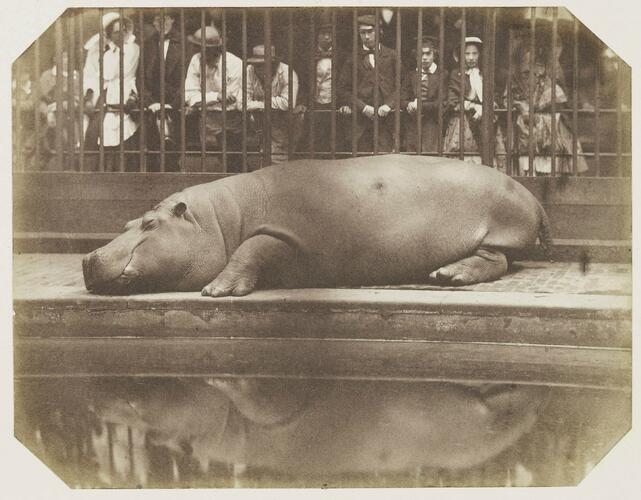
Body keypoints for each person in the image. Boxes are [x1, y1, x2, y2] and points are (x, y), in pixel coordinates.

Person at [506, 51, 588, 175]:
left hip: (549, 136)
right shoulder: (516, 83)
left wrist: (538, 117)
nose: (533, 70)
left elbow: (559, 108)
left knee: (552, 165)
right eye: (527, 65)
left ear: (543, 67)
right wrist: (520, 107)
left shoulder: (552, 86)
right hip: (524, 136)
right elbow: (508, 101)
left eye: (538, 65)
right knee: (523, 168)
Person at [83, 12, 141, 171]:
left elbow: (129, 74)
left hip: (127, 93)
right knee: (97, 134)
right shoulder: (107, 54)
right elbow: (100, 77)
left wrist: (133, 94)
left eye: (123, 30)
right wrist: (90, 96)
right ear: (110, 34)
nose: (121, 34)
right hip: (107, 96)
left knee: (127, 138)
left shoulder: (133, 49)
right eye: (116, 31)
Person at [337, 14, 399, 154]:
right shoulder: (352, 58)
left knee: (385, 162)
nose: (366, 36)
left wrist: (389, 105)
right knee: (362, 163)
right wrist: (363, 107)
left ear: (379, 32)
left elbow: (402, 86)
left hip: (386, 121)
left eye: (370, 31)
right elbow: (342, 89)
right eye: (362, 32)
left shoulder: (392, 55)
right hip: (360, 122)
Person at [184, 25, 243, 169]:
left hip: (231, 121)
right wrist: (216, 96)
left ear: (216, 48)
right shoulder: (195, 60)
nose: (199, 52)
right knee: (209, 165)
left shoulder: (234, 63)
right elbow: (190, 95)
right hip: (207, 121)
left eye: (202, 48)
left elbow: (231, 101)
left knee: (233, 163)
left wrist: (203, 100)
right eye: (197, 47)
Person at [442, 36, 505, 168]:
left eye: (474, 53)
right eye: (467, 53)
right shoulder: (456, 74)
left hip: (486, 122)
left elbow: (496, 96)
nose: (471, 57)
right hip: (463, 123)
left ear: (480, 55)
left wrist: (486, 108)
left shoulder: (486, 74)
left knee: (487, 159)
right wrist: (474, 106)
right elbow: (452, 100)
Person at [141, 9, 184, 171]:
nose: (161, 22)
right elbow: (140, 77)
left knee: (173, 151)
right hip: (152, 101)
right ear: (153, 22)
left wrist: (174, 103)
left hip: (175, 102)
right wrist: (149, 101)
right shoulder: (148, 43)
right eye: (157, 19)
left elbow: (187, 77)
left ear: (172, 20)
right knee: (153, 149)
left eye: (165, 18)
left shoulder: (183, 43)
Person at [245, 44, 301, 165]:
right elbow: (242, 103)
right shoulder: (250, 70)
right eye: (257, 64)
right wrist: (267, 104)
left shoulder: (287, 72)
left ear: (273, 63)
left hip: (285, 120)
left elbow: (288, 103)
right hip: (262, 121)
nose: (258, 68)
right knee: (264, 155)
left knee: (280, 158)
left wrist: (257, 105)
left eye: (262, 65)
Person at [39, 51, 83, 170]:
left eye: (68, 56)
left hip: (70, 117)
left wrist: (57, 107)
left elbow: (77, 100)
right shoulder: (46, 76)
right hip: (49, 119)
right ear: (54, 58)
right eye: (63, 56)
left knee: (70, 143)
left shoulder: (75, 75)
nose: (66, 59)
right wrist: (48, 113)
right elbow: (40, 100)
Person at [400, 35, 444, 154]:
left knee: (430, 159)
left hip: (432, 124)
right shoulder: (411, 75)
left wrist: (420, 106)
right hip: (412, 125)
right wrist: (408, 104)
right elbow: (401, 98)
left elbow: (442, 102)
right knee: (412, 161)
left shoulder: (442, 74)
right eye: (420, 54)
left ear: (434, 54)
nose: (424, 58)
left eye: (428, 54)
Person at [304, 22, 336, 155]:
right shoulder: (307, 54)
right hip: (312, 102)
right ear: (316, 36)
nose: (327, 37)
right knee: (312, 137)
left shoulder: (341, 55)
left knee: (333, 137)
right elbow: (302, 80)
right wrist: (303, 102)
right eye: (323, 34)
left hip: (333, 102)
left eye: (330, 34)